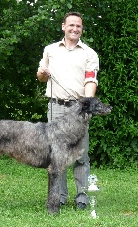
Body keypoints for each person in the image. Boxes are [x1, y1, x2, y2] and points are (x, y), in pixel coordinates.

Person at [36, 12, 99, 210]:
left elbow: (91, 80)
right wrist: (42, 73)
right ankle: (60, 196)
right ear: (63, 26)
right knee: (57, 155)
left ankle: (82, 197)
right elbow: (41, 77)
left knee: (81, 154)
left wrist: (85, 105)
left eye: (78, 26)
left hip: (78, 109)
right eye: (71, 25)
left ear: (82, 29)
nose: (75, 29)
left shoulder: (89, 53)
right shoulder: (50, 50)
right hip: (56, 107)